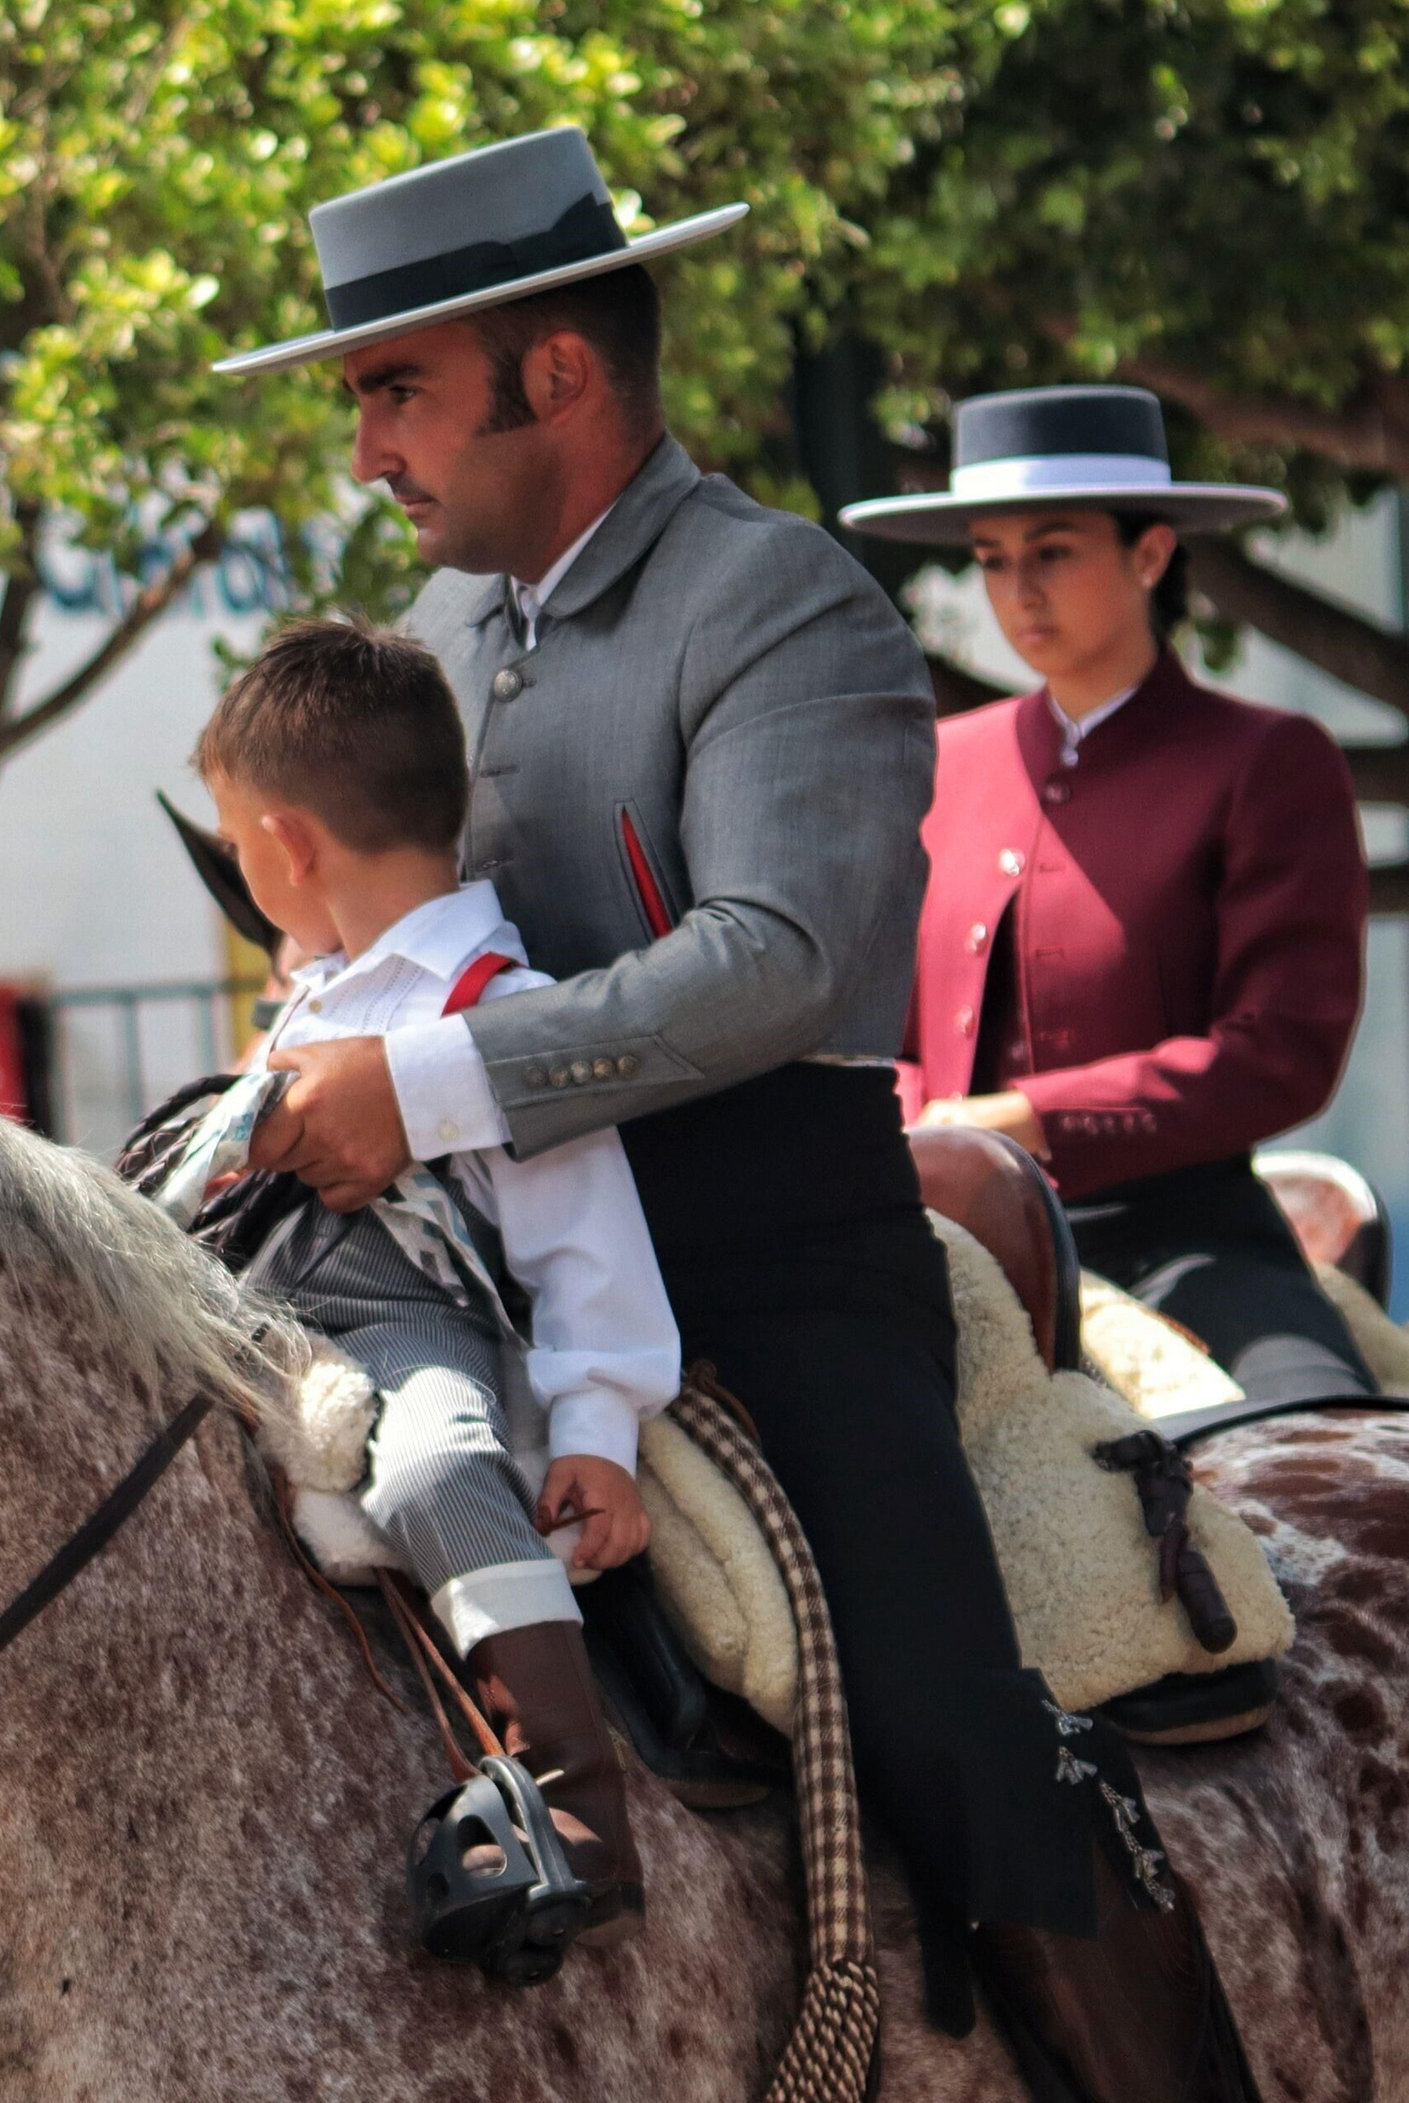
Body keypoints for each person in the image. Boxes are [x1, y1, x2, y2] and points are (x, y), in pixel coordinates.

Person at [211, 129, 1261, 2102]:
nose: (366, 454)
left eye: (392, 393)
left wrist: (418, 1079)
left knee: (946, 1720)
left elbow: (778, 960)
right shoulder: (429, 645)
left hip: (777, 1272)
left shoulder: (785, 603)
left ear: (560, 377)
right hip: (448, 1274)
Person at [192, 614, 681, 1945]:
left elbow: (585, 1244)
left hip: (414, 1325)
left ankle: (574, 1792)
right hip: (260, 1312)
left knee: (432, 1470)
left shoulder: (491, 1003)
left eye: (239, 847)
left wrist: (595, 1429)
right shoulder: (316, 1001)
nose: (244, 871)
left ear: (289, 846)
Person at [844, 382, 1375, 1413]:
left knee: (1320, 1459)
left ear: (1149, 554)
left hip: (1184, 1239)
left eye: (1053, 551)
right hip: (941, 1235)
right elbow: (873, 1033)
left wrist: (1030, 1116)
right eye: (992, 559)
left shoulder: (1265, 759)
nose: (1017, 592)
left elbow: (1281, 1051)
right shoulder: (938, 765)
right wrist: (928, 1131)